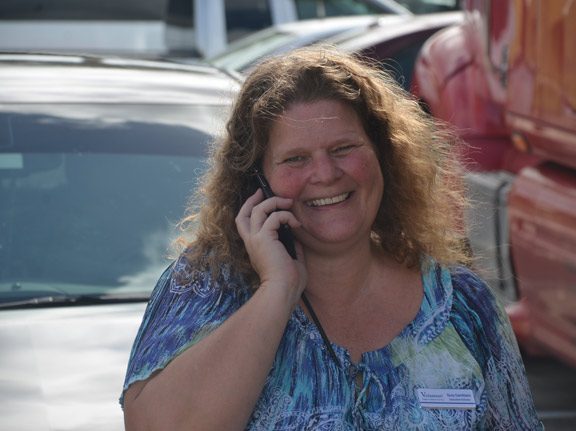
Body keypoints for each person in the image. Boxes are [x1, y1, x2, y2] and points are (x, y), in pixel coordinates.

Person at [120, 46, 543, 430]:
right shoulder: (205, 289)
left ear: (384, 155)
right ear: (257, 182)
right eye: (295, 159)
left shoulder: (464, 307)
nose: (324, 174)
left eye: (343, 149)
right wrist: (277, 291)